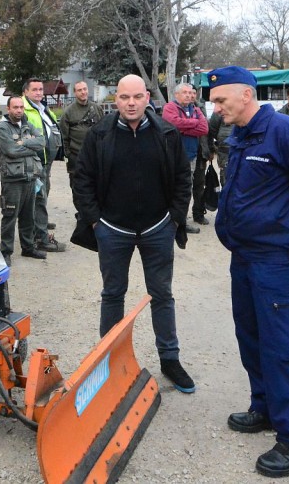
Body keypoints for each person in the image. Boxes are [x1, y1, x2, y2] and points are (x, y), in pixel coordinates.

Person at [208, 66, 289, 478]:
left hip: (277, 260)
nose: (216, 108)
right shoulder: (241, 134)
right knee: (251, 335)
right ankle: (264, 406)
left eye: (220, 100)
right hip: (245, 255)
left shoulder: (287, 132)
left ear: (246, 95)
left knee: (283, 345)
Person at [72, 74, 196, 394]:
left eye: (137, 97)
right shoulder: (99, 135)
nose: (131, 103)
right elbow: (82, 178)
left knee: (162, 294)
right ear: (116, 99)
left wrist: (175, 219)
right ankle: (109, 360)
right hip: (113, 230)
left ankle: (170, 359)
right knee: (113, 294)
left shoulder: (166, 133)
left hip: (158, 229)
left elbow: (182, 178)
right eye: (125, 97)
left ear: (147, 98)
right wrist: (95, 221)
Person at [0, 96, 46, 261]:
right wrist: (30, 146)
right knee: (10, 216)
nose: (19, 110)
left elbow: (41, 142)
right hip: (12, 180)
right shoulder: (2, 128)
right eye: (15, 107)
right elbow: (11, 150)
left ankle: (28, 248)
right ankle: (6, 252)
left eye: (21, 107)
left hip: (30, 177)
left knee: (28, 216)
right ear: (8, 109)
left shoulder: (27, 125)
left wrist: (22, 143)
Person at [22, 79, 65, 252]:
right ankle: (41, 237)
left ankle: (40, 223)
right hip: (35, 162)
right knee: (38, 198)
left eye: (40, 89)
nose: (39, 92)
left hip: (46, 161)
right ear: (26, 92)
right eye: (34, 89)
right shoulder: (23, 109)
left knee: (43, 193)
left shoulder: (42, 107)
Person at [162, 83, 209, 231]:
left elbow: (204, 128)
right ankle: (168, 220)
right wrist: (194, 123)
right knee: (171, 188)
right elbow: (172, 123)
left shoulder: (196, 109)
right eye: (185, 92)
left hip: (191, 156)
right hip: (172, 156)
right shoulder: (170, 107)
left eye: (190, 92)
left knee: (185, 190)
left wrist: (183, 129)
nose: (189, 95)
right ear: (176, 94)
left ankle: (181, 221)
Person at [59, 80, 103, 188]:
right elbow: (64, 137)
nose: (83, 92)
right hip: (76, 157)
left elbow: (104, 131)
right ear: (75, 93)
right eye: (79, 90)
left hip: (95, 156)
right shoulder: (68, 112)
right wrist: (69, 154)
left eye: (85, 89)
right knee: (78, 188)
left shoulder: (97, 109)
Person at [208, 109, 233, 185]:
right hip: (225, 149)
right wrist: (222, 139)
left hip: (244, 148)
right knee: (225, 178)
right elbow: (212, 127)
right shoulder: (221, 108)